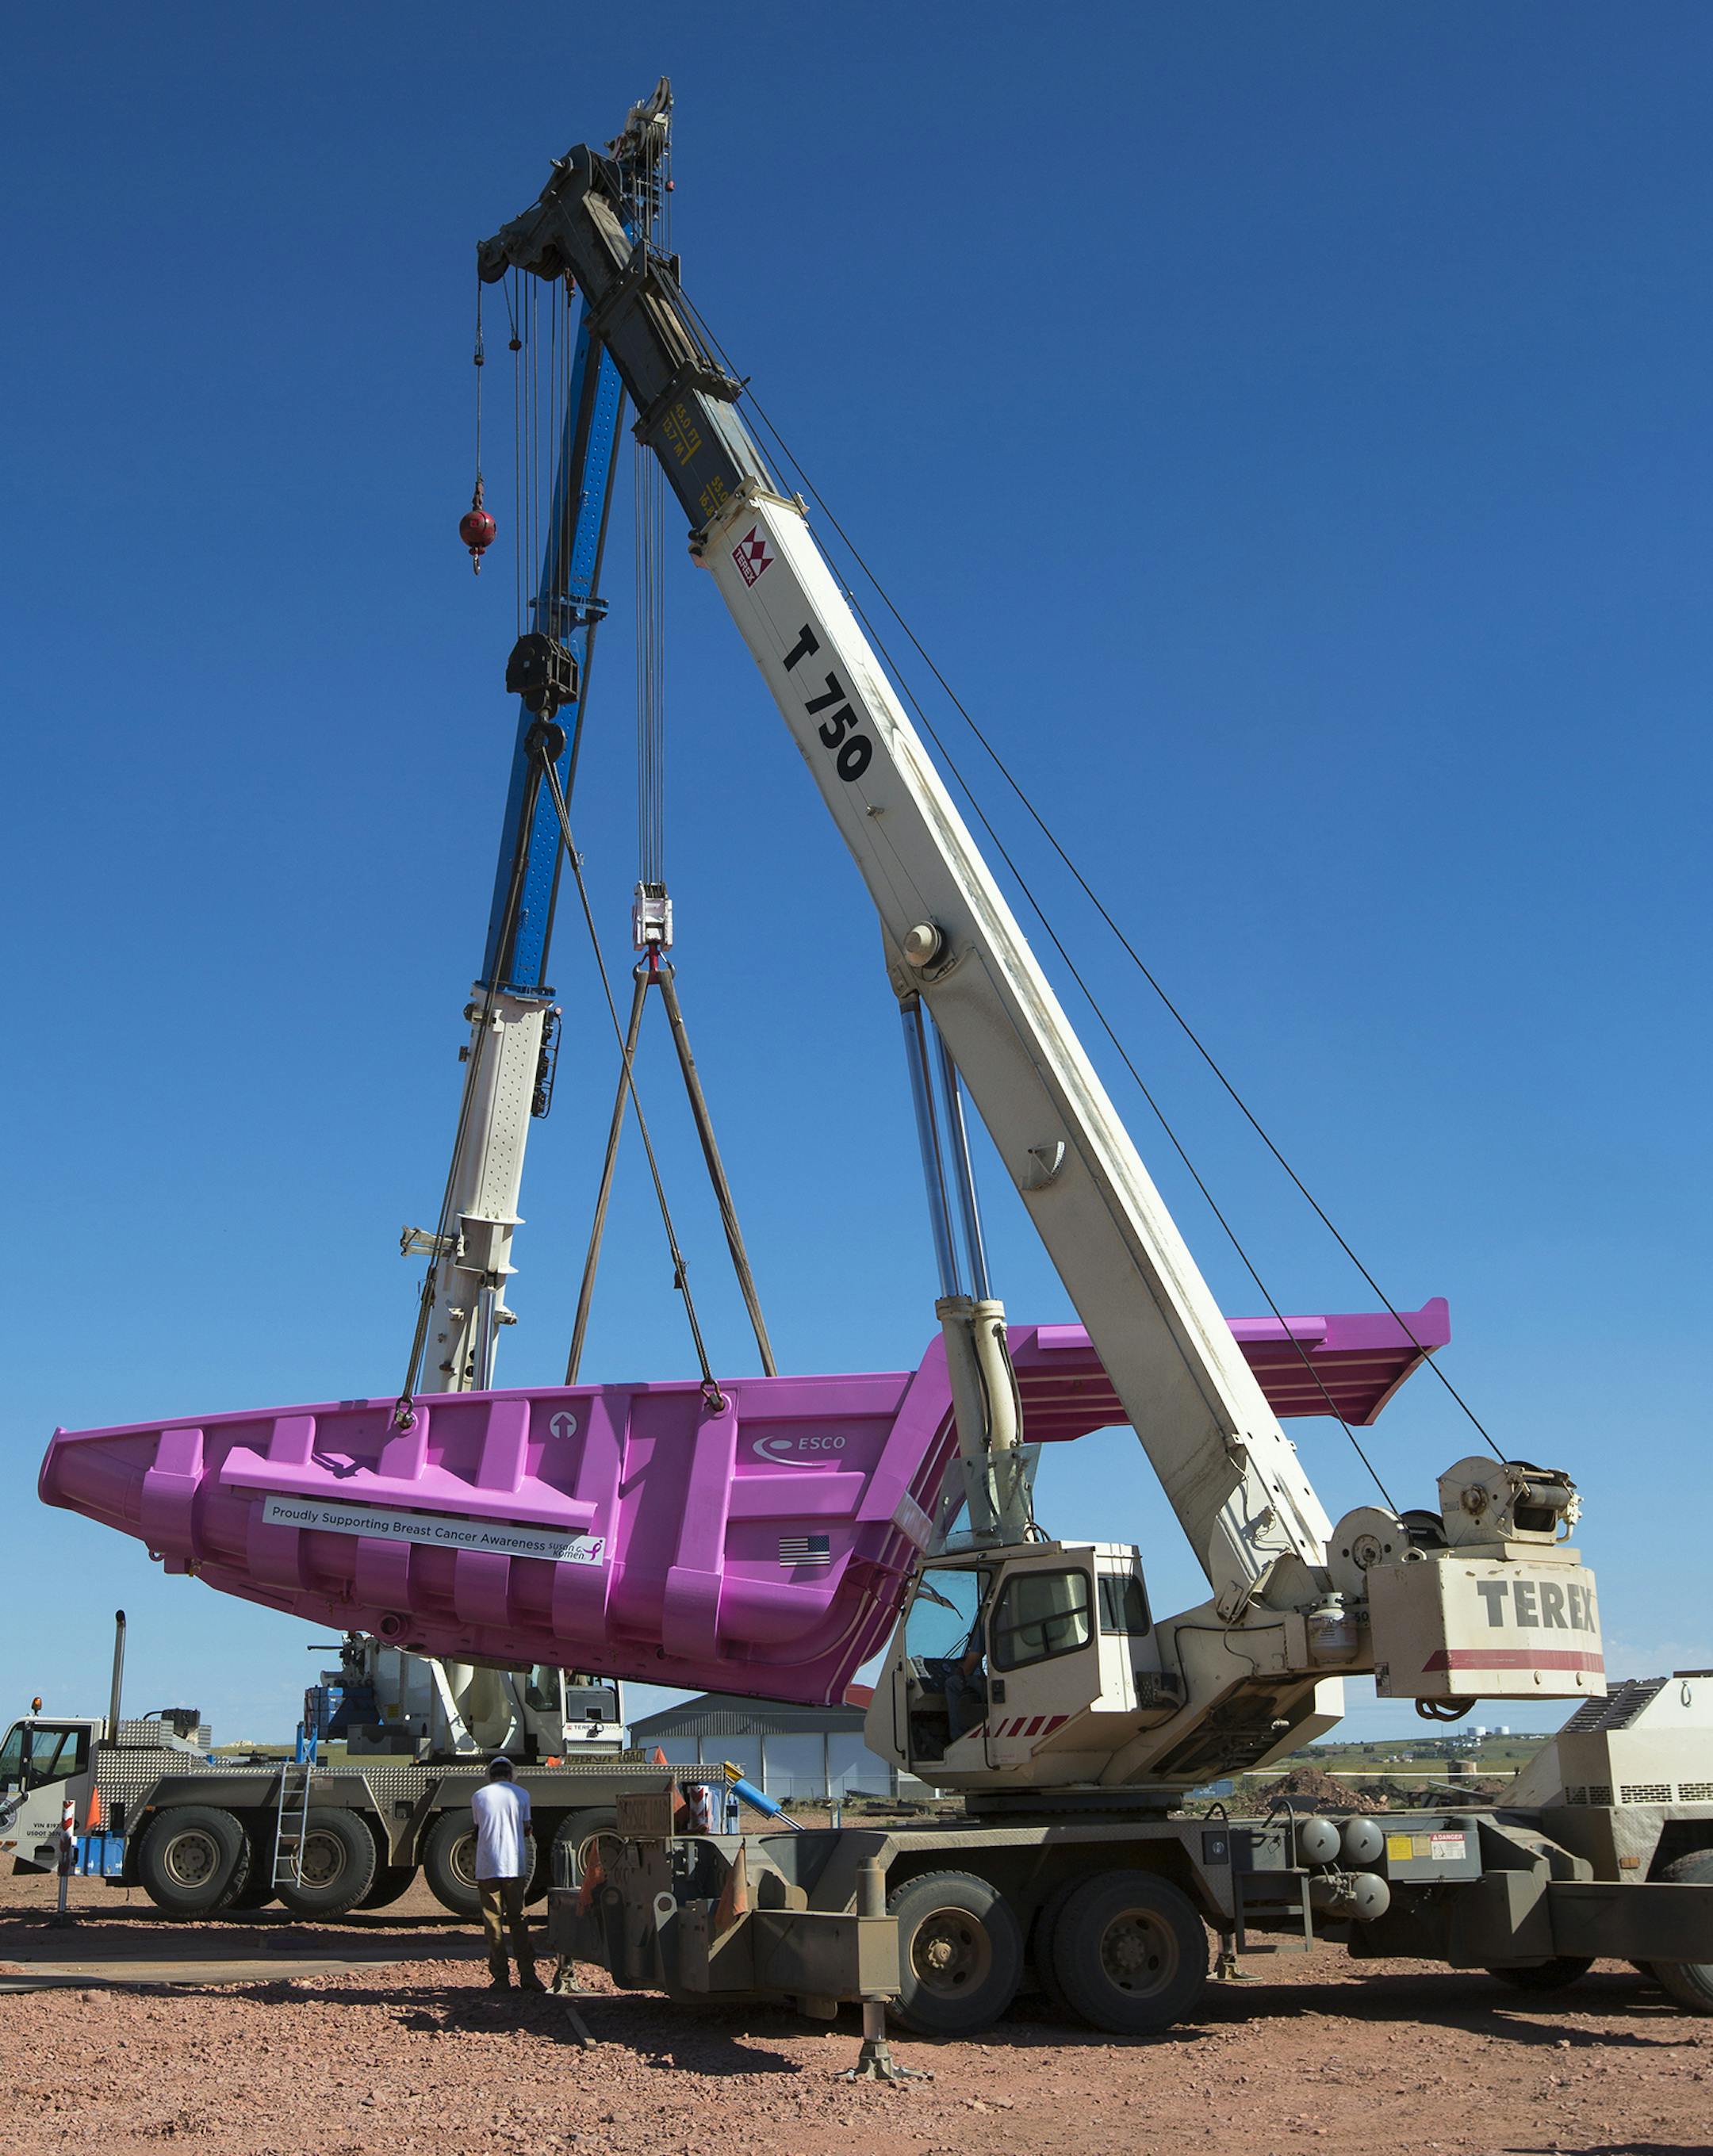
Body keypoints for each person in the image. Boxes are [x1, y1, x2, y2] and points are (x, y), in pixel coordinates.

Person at [470, 1756, 542, 1992]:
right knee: (518, 1919)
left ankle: (501, 1977)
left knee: (493, 1921)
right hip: (513, 1865)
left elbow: (478, 1829)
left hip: (487, 1866)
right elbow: (526, 1828)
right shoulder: (522, 1795)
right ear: (511, 1774)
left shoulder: (478, 1796)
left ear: (490, 1775)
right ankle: (528, 1975)